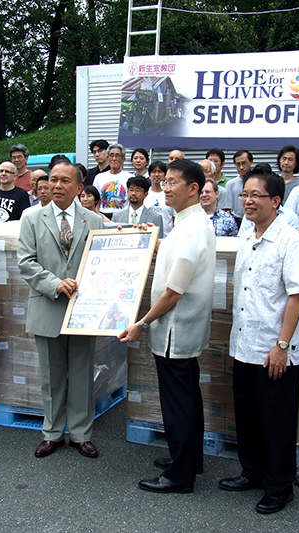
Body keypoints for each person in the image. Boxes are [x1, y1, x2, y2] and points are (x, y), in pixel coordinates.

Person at [118, 159, 216, 494]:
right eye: (166, 181)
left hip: (176, 328)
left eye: (174, 182)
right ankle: (189, 458)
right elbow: (178, 258)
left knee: (178, 404)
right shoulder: (188, 223)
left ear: (193, 189)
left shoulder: (190, 229)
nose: (166, 186)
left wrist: (140, 324)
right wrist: (153, 243)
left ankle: (180, 475)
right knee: (188, 396)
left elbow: (174, 292)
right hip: (184, 328)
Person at [217, 168, 299, 515]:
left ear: (276, 201)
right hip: (243, 344)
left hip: (274, 349)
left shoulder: (289, 240)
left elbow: (297, 296)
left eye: (257, 195)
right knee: (249, 415)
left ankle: (280, 485)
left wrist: (282, 346)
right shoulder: (247, 235)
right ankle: (252, 472)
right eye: (245, 195)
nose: (249, 200)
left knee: (277, 421)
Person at [18, 160, 105, 458]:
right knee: (51, 376)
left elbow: (102, 262)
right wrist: (54, 283)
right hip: (47, 305)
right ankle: (52, 432)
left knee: (81, 374)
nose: (56, 185)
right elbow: (26, 262)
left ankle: (81, 433)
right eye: (52, 180)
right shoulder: (31, 218)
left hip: (84, 310)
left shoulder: (94, 221)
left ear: (79, 187)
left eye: (65, 181)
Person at [94, 143, 133, 217]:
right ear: (108, 158)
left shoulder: (130, 177)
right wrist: (98, 214)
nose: (114, 159)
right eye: (111, 155)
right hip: (103, 215)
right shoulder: (99, 177)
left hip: (122, 215)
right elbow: (96, 200)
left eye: (117, 156)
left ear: (123, 159)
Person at [144, 160, 174, 236]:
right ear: (149, 175)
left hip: (166, 238)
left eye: (160, 172)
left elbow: (175, 218)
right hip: (147, 236)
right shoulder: (144, 194)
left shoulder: (170, 194)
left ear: (165, 175)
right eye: (154, 172)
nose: (156, 174)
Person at [226, 150, 253, 227]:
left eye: (244, 163)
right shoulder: (231, 184)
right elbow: (228, 207)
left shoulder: (257, 182)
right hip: (236, 220)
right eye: (238, 164)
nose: (241, 167)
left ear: (250, 162)